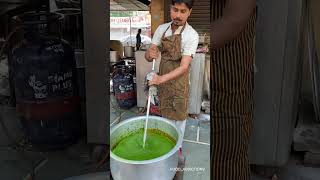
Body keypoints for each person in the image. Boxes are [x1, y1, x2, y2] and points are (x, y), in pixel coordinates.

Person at [211, 0, 256, 179]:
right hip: (202, 85)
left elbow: (233, 21)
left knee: (226, 165)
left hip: (227, 86)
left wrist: (188, 42)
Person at [145, 0, 199, 144]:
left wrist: (160, 79)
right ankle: (167, 144)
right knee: (166, 114)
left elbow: (184, 67)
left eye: (183, 11)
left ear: (189, 12)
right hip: (163, 82)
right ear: (170, 9)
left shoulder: (191, 35)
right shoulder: (162, 29)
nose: (178, 15)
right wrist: (150, 53)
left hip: (179, 84)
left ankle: (178, 147)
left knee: (179, 117)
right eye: (175, 10)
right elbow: (148, 57)